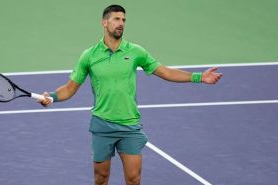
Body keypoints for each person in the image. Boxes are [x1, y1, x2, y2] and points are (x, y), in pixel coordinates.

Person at [40, 4, 222, 185]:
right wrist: (53, 97)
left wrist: (199, 77)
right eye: (116, 19)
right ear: (104, 22)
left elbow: (164, 72)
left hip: (130, 125)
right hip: (102, 125)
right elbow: (70, 88)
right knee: (101, 178)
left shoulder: (136, 52)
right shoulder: (89, 56)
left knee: (134, 179)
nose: (121, 23)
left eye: (124, 20)